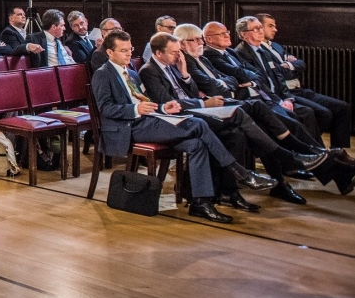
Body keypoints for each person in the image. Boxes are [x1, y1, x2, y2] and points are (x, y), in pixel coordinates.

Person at [90, 31, 275, 223]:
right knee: (199, 124)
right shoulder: (102, 74)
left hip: (148, 119)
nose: (128, 54)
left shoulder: (132, 74)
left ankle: (200, 203)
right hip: (128, 127)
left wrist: (163, 107)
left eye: (130, 49)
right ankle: (239, 172)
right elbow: (106, 108)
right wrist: (136, 108)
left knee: (196, 145)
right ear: (110, 52)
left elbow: (148, 103)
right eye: (123, 51)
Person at [141, 32, 324, 209]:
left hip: (201, 105)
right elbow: (168, 103)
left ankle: (231, 191)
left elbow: (194, 90)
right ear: (158, 53)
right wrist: (203, 103)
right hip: (186, 114)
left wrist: (185, 75)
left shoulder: (175, 64)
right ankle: (289, 157)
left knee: (243, 124)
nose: (178, 55)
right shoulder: (149, 71)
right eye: (174, 52)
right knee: (239, 114)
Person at [258, 13, 351, 150]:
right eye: (270, 26)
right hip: (287, 92)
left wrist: (288, 65)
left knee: (343, 107)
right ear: (260, 28)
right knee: (323, 114)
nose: (275, 30)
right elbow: (277, 72)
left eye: (275, 26)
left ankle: (338, 150)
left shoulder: (276, 46)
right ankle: (309, 147)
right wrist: (290, 66)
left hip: (301, 89)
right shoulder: (258, 50)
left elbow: (301, 64)